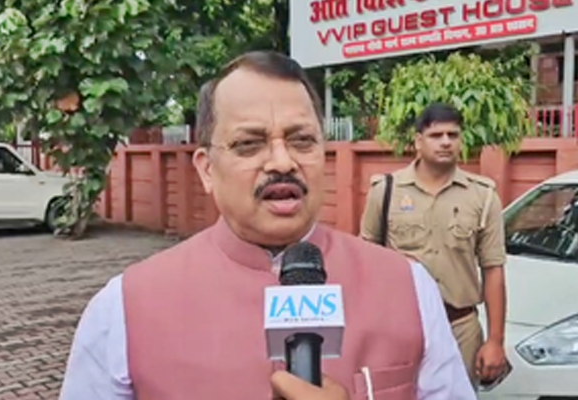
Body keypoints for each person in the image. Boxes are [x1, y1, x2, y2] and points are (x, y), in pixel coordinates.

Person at [58, 52, 475, 400]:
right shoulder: (124, 308)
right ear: (206, 169)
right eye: (249, 144)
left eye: (301, 140)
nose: (281, 162)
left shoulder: (409, 287)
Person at [359, 103, 508, 388]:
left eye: (453, 135)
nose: (446, 142)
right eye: (436, 135)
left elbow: (493, 270)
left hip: (460, 328)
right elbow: (366, 265)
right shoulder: (386, 191)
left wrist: (495, 341)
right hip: (402, 326)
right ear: (418, 141)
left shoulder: (483, 196)